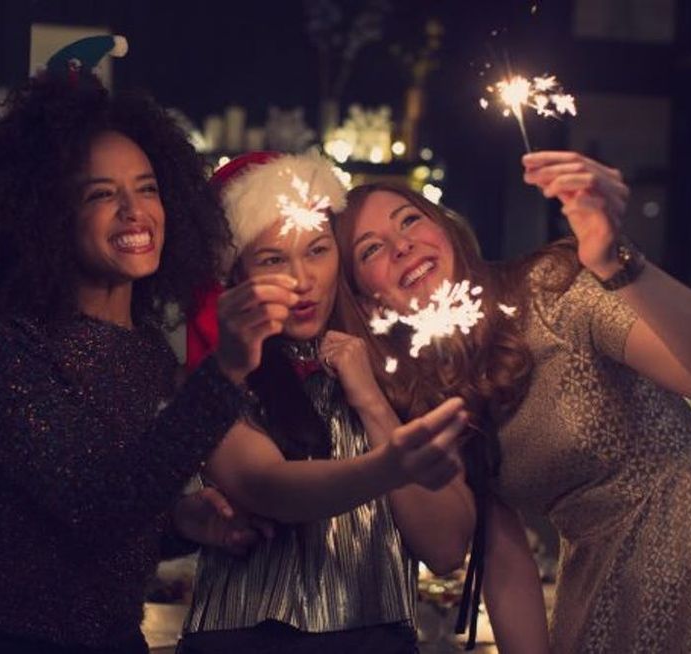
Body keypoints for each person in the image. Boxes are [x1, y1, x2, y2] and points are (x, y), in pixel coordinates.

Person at [0, 49, 296, 653]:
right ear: (45, 217)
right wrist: (224, 369)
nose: (134, 210)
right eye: (100, 194)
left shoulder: (145, 350)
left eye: (147, 188)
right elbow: (98, 503)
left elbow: (115, 517)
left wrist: (183, 523)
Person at [331, 150, 691, 653]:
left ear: (447, 231)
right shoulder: (431, 394)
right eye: (372, 250)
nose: (402, 244)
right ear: (369, 301)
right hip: (602, 605)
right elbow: (491, 558)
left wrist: (616, 263)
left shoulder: (553, 290)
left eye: (410, 220)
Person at [178, 151, 476, 654]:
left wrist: (372, 404)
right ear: (236, 273)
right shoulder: (222, 376)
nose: (301, 280)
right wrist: (391, 465)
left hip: (380, 642)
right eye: (273, 259)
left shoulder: (396, 365)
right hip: (244, 643)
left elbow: (446, 548)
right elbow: (267, 488)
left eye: (317, 250)